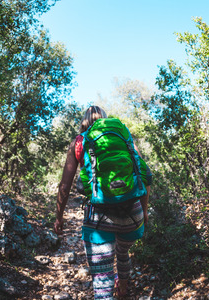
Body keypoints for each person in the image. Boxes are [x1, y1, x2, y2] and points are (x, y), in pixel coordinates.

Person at [54, 106, 151, 299]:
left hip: (99, 218)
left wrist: (59, 217)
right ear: (105, 120)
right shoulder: (123, 137)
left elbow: (65, 187)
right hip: (133, 214)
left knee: (102, 275)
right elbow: (144, 175)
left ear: (83, 121)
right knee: (122, 253)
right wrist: (145, 211)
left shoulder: (78, 142)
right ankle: (122, 290)